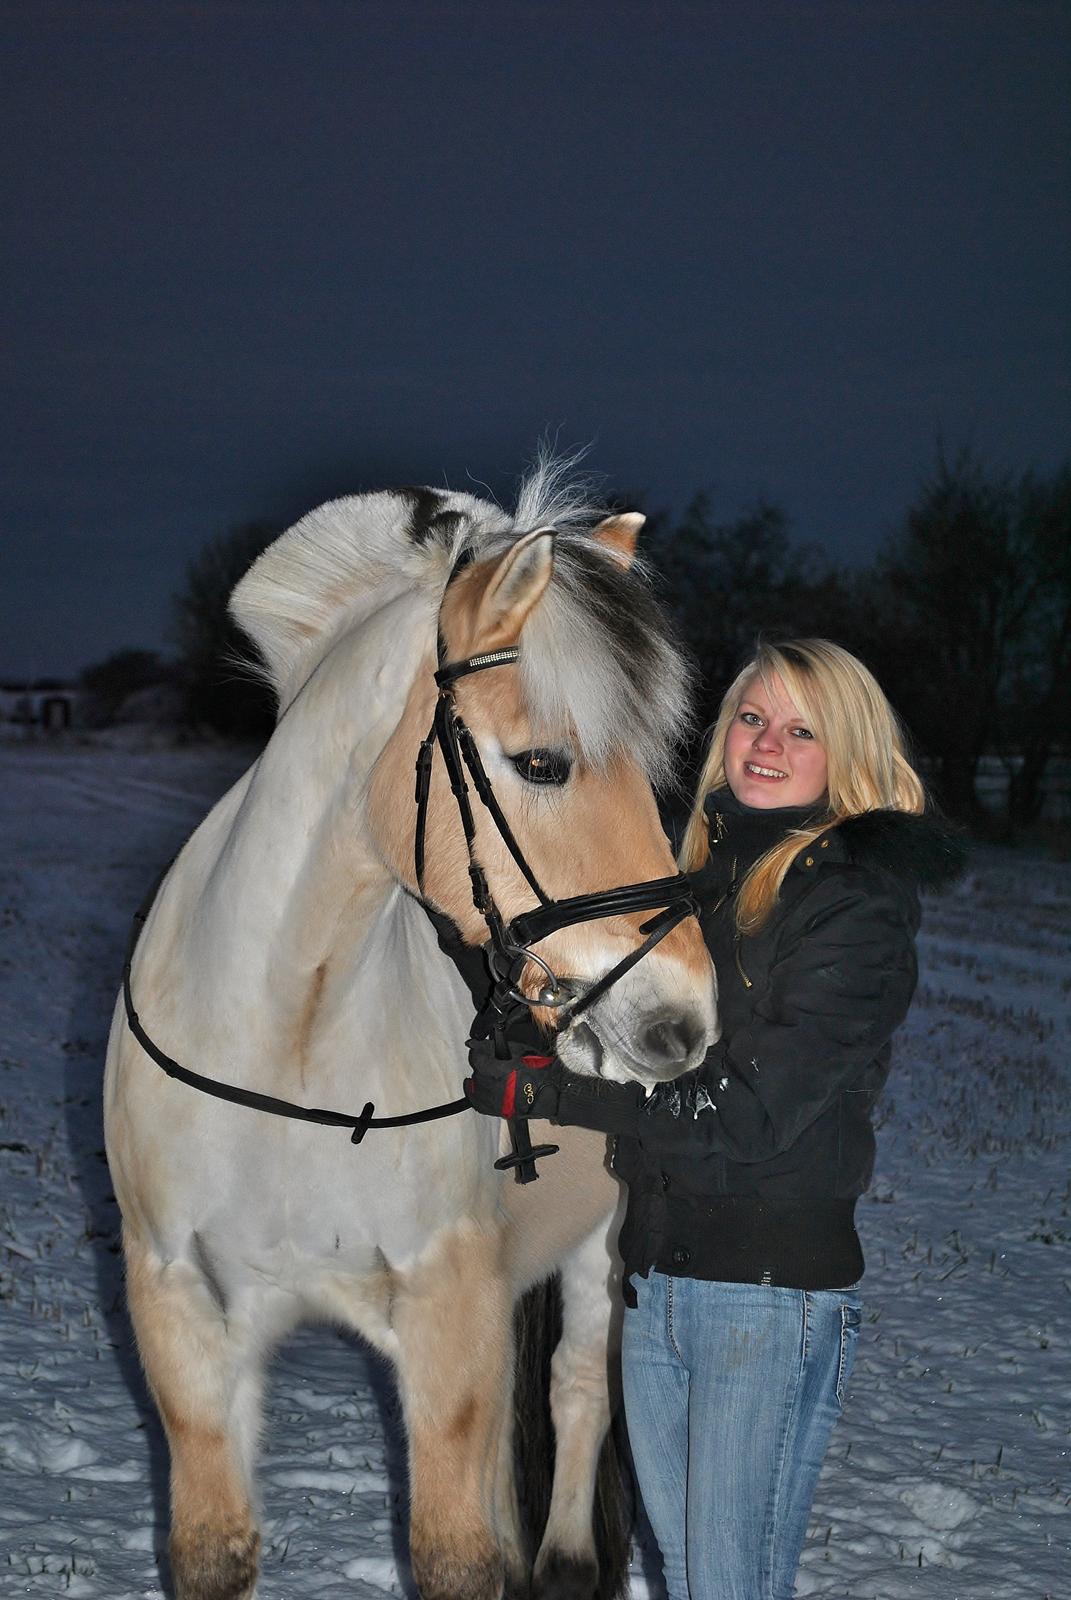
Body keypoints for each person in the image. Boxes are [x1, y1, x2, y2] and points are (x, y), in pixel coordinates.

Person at [465, 637, 966, 1600]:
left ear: (847, 754)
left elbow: (745, 1114)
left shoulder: (852, 908)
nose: (765, 744)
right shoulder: (696, 891)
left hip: (765, 1300)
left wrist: (549, 1095)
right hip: (658, 1285)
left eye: (800, 730)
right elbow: (629, 1038)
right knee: (694, 1577)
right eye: (749, 718)